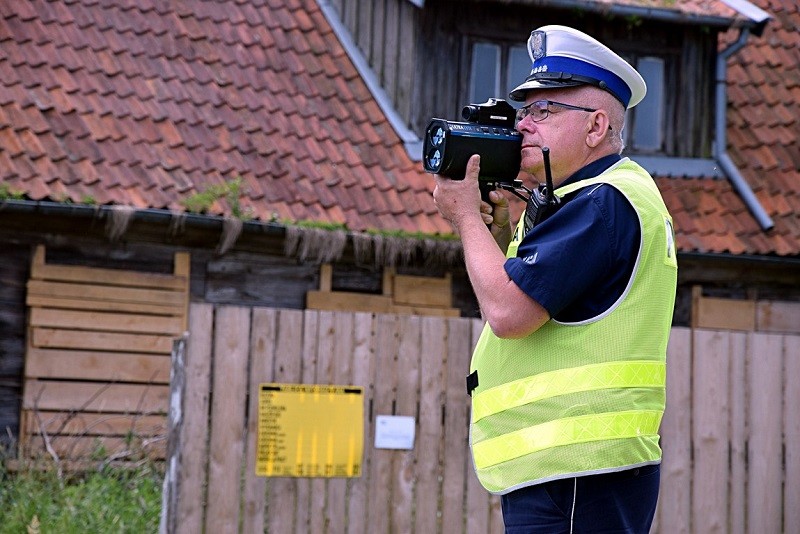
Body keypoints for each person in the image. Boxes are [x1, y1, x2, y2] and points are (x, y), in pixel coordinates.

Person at [433, 25, 678, 533]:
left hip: (577, 472)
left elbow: (508, 313)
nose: (523, 125)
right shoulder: (573, 202)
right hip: (571, 470)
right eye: (524, 111)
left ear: (595, 127)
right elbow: (552, 301)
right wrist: (499, 236)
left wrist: (465, 219)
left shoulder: (601, 202)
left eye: (544, 112)